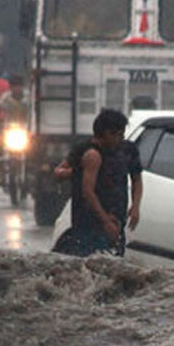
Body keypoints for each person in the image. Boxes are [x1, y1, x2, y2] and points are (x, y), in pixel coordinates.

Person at [52, 109, 142, 257]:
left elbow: (137, 179)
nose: (121, 139)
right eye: (119, 135)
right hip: (88, 222)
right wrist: (77, 172)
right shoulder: (88, 152)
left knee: (111, 263)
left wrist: (135, 206)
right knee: (88, 260)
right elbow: (84, 189)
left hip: (116, 220)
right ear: (107, 133)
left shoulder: (127, 150)